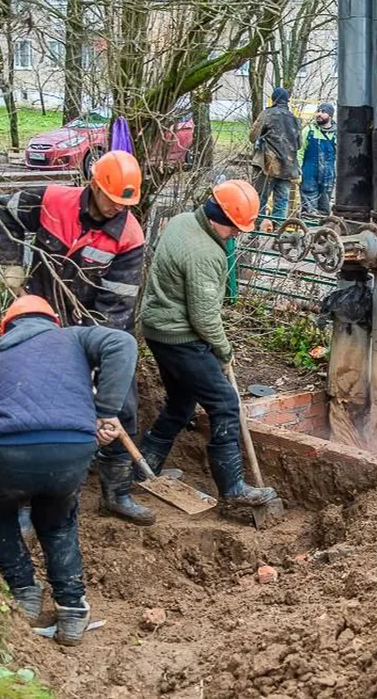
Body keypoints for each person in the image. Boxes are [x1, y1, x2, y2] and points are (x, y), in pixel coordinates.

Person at [0, 149, 154, 526]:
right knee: (36, 408)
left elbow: (116, 308)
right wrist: (13, 265)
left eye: (125, 203)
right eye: (113, 200)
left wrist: (95, 367)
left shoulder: (128, 236)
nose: (118, 209)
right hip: (40, 318)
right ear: (94, 185)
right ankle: (27, 503)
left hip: (95, 324)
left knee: (122, 403)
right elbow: (5, 211)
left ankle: (117, 493)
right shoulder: (52, 201)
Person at [0, 295, 138, 646]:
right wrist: (106, 411)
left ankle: (24, 591)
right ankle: (73, 609)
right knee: (57, 520)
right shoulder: (74, 338)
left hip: (5, 450)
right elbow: (122, 342)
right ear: (52, 321)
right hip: (71, 447)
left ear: (7, 329)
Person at [137, 179, 279, 508]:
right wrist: (223, 349)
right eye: (236, 227)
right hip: (180, 337)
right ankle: (232, 489)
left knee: (181, 402)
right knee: (225, 404)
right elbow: (203, 317)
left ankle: (144, 465)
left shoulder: (184, 221)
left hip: (158, 329)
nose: (238, 234)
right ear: (222, 219)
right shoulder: (204, 253)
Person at [249, 87, 301, 221]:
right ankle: (278, 236)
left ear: (273, 99)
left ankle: (254, 236)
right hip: (288, 169)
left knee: (260, 201)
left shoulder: (267, 114)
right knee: (281, 203)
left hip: (268, 166)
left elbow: (253, 136)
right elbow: (299, 144)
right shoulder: (294, 119)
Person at [297, 102, 337, 215]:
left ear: (330, 115)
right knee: (308, 209)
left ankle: (322, 230)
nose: (319, 114)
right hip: (309, 174)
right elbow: (299, 151)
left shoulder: (336, 134)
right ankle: (309, 229)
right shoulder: (309, 130)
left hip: (328, 177)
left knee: (324, 209)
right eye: (318, 111)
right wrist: (299, 170)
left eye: (323, 112)